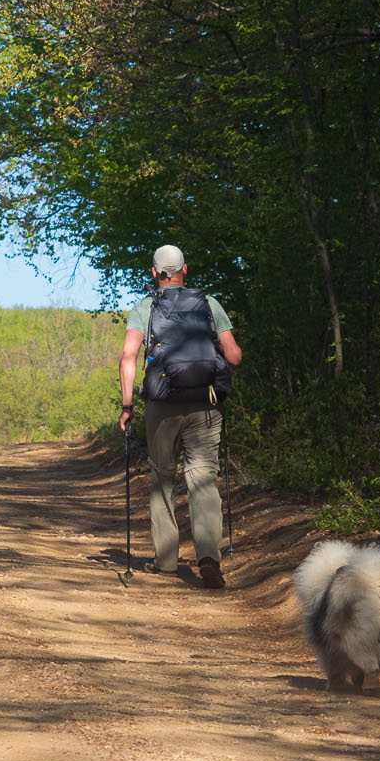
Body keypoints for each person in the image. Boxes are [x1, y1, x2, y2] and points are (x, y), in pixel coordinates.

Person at [117, 244, 243, 588]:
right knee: (203, 476)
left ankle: (167, 561)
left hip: (161, 404)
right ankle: (208, 557)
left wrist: (127, 405)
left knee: (162, 476)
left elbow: (129, 357)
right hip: (206, 401)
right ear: (184, 270)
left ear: (153, 273)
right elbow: (233, 357)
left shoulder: (145, 308)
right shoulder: (208, 303)